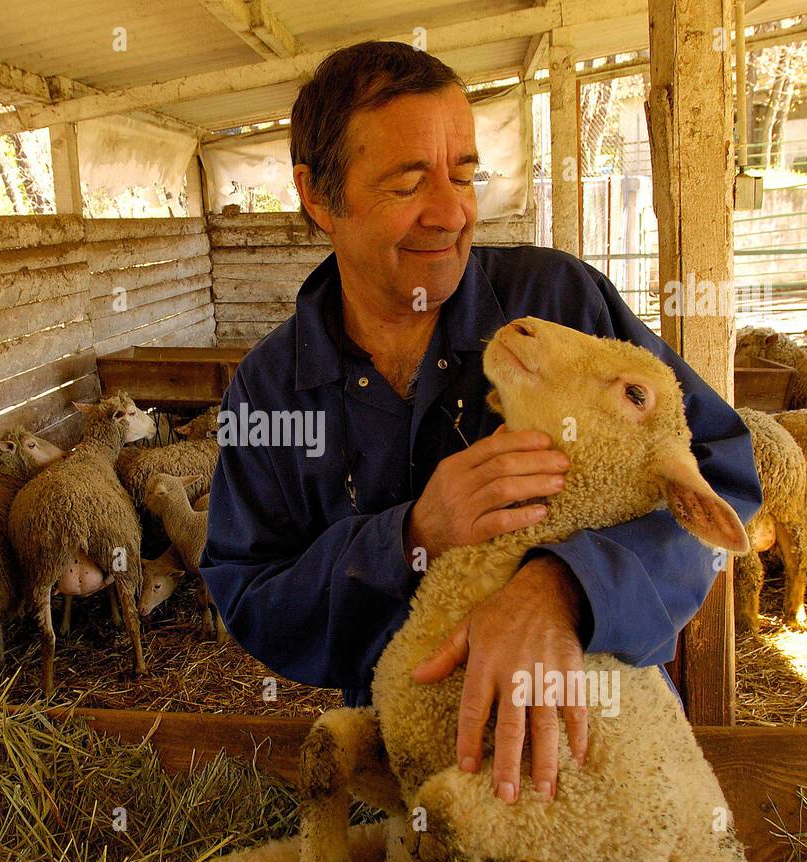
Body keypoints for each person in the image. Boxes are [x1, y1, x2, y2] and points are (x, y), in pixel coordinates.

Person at [197, 41, 762, 806]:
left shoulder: (559, 306)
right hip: (418, 764)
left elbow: (721, 471)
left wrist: (565, 588)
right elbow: (250, 592)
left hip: (608, 751)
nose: (452, 211)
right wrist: (409, 539)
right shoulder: (271, 391)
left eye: (463, 174)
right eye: (408, 183)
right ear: (318, 196)